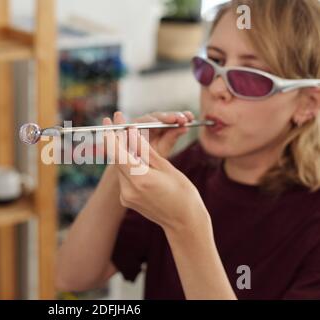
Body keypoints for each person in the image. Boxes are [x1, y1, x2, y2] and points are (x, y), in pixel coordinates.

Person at [55, 0, 320, 299]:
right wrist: (122, 163)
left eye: (249, 77)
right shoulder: (193, 165)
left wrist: (185, 227)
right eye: (211, 65)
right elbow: (72, 276)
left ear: (307, 104)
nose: (217, 89)